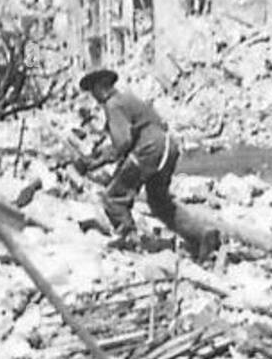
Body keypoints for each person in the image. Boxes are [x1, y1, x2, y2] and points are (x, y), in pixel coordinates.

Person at [75, 68, 220, 260]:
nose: (94, 97)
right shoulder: (128, 99)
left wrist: (94, 162)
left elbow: (123, 142)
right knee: (159, 203)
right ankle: (201, 236)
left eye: (93, 92)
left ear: (100, 88)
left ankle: (128, 240)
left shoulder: (113, 105)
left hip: (149, 150)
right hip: (168, 148)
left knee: (114, 196)